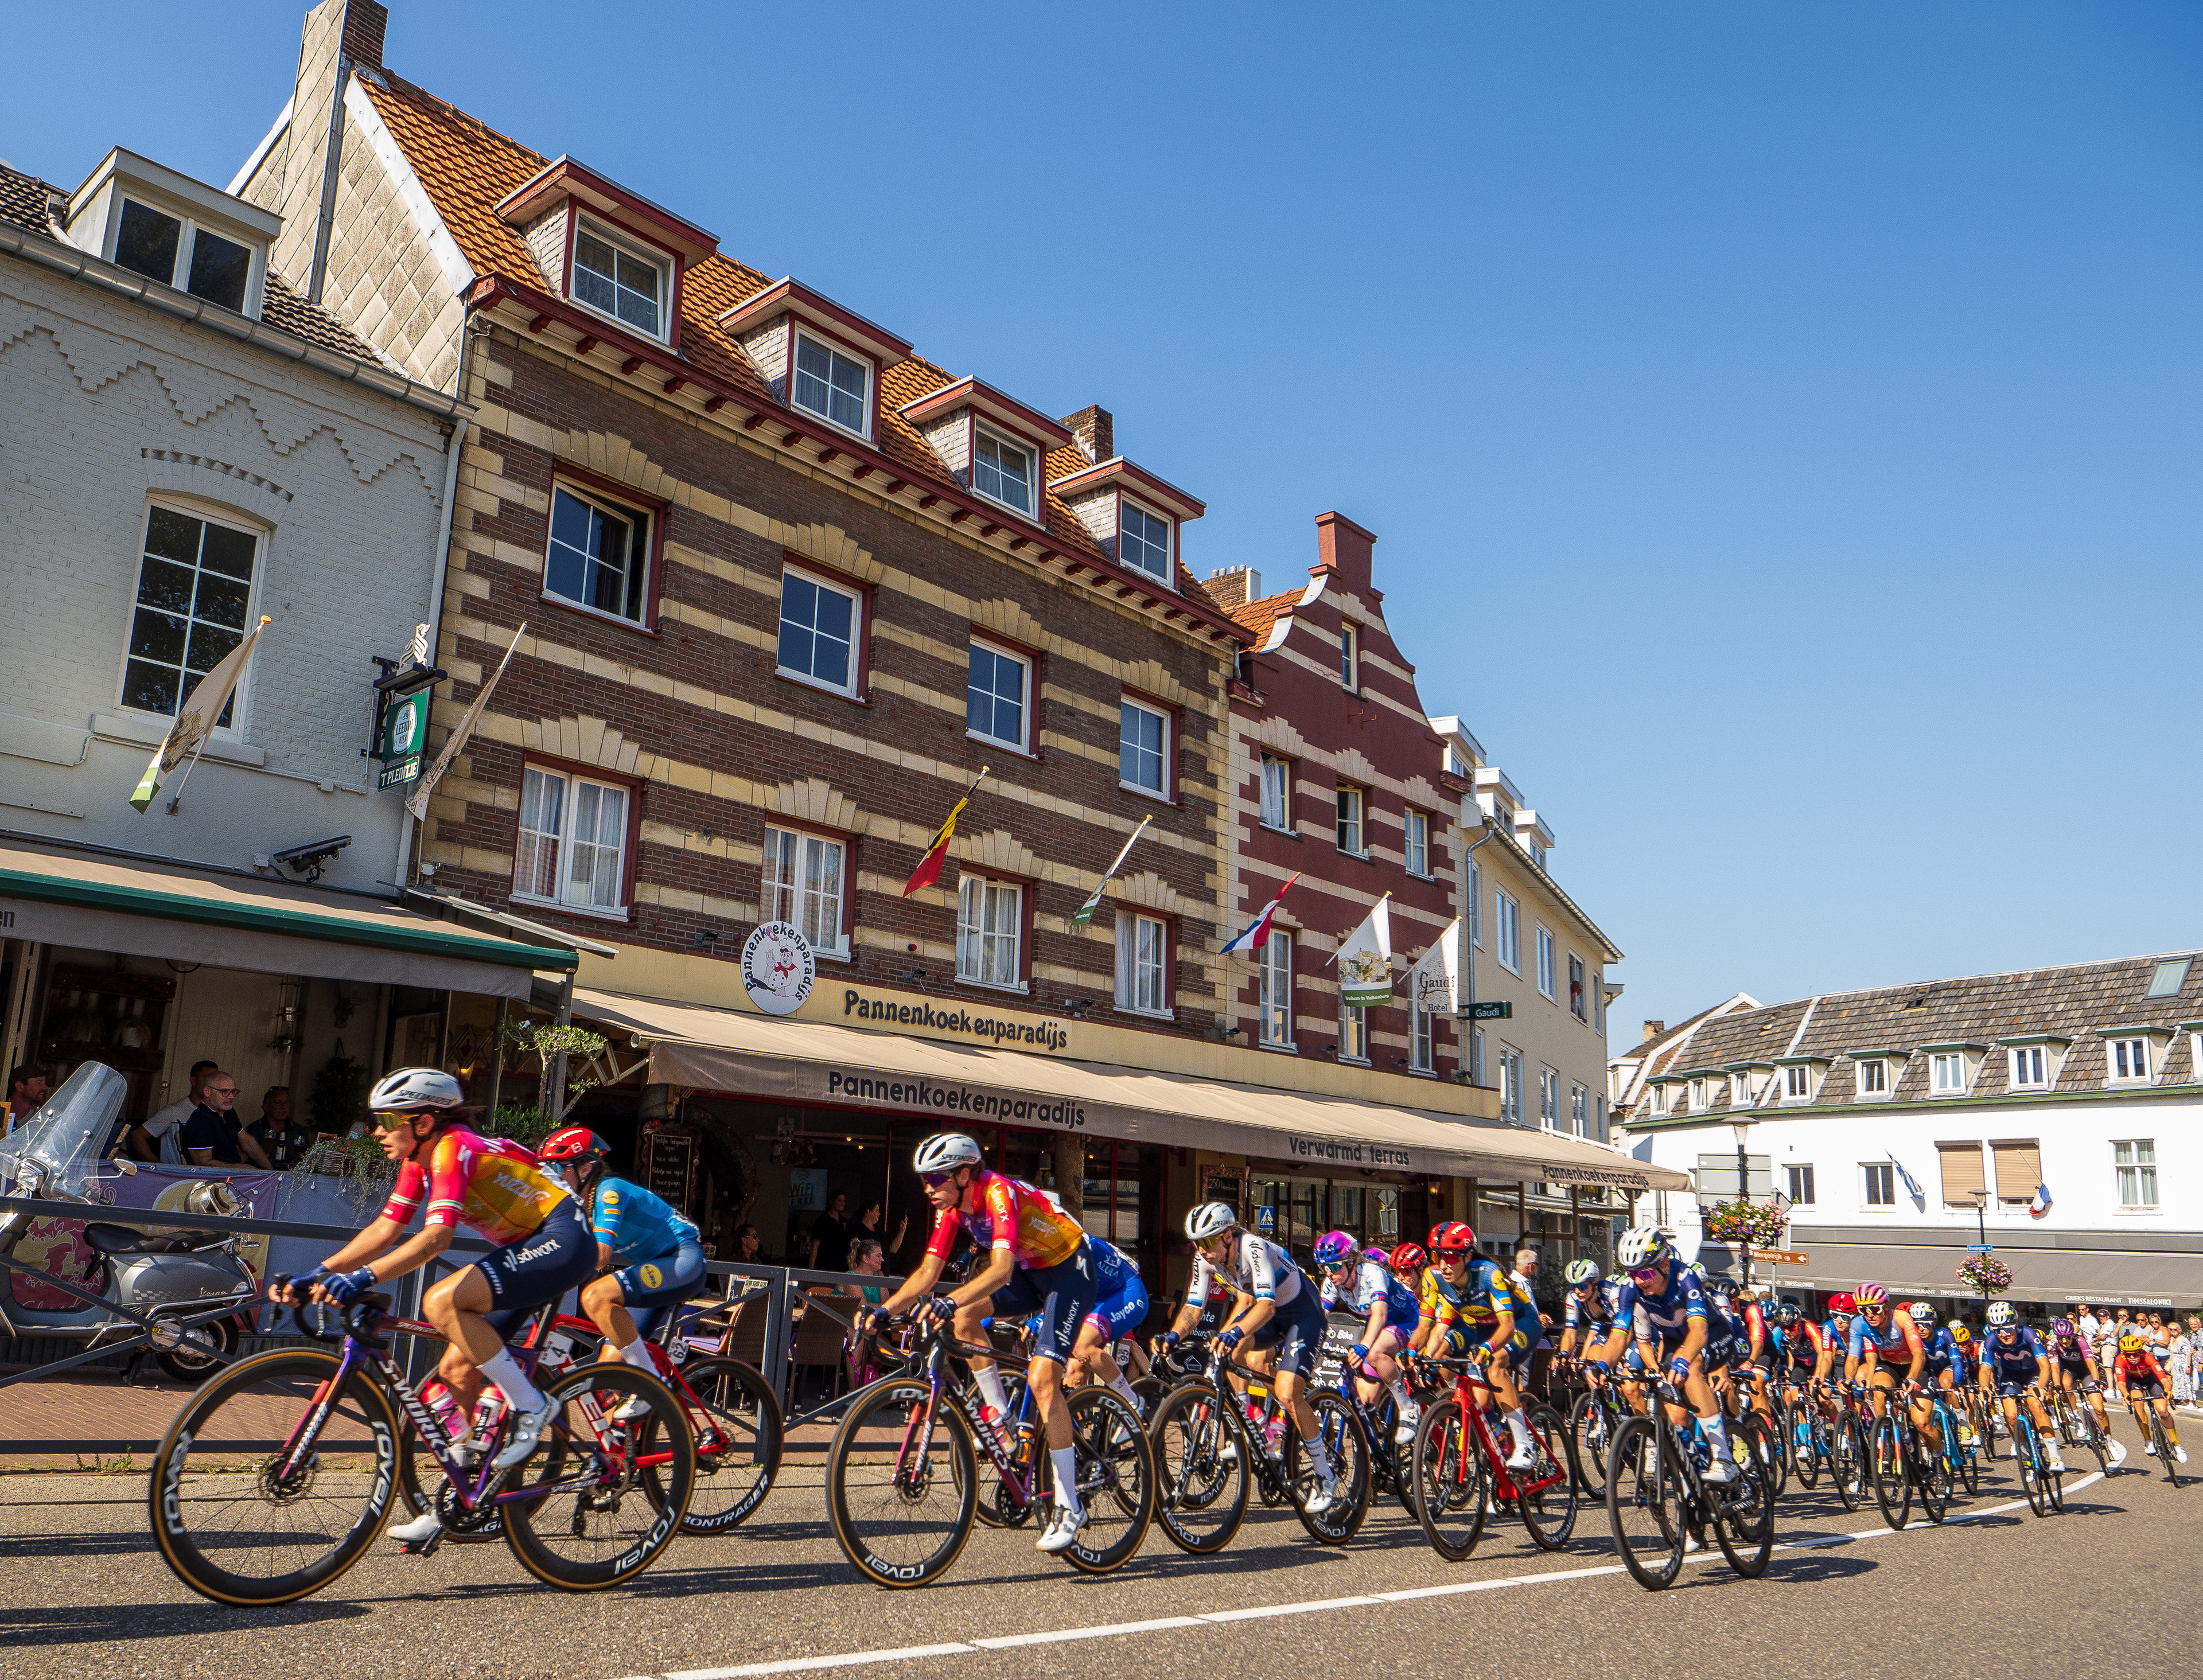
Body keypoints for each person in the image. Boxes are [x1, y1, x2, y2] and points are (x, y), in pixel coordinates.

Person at [274, 1067, 593, 1551]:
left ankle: (532, 1405)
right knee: (456, 1371)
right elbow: (385, 1229)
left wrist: (363, 1278)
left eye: (386, 1120)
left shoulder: (453, 1147)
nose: (376, 1131)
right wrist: (319, 1272)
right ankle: (458, 1497)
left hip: (563, 1238)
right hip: (527, 1246)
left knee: (441, 1300)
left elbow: (436, 1239)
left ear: (423, 1123)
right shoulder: (418, 1159)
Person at [861, 1133, 1102, 1554]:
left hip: (1069, 1271)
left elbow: (1001, 1270)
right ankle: (1002, 1416)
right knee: (964, 1319)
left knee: (1043, 1377)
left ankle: (1069, 1506)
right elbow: (927, 1273)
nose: (928, 1188)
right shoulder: (952, 1209)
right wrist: (885, 1310)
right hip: (1032, 1271)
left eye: (936, 1178)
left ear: (964, 1174)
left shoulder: (997, 1193)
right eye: (924, 1180)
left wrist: (950, 1300)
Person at [1156, 1200, 1342, 1514]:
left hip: (1302, 1314)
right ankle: (1250, 1421)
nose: (1201, 1251)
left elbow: (1266, 1306)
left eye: (1206, 1242)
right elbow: (1193, 1308)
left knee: (1287, 1393)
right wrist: (1173, 1336)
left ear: (1228, 1236)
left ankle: (1325, 1474)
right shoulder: (1207, 1260)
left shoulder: (1253, 1247)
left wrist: (1236, 1332)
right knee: (1226, 1349)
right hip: (1270, 1316)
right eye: (1196, 1244)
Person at [538, 1127, 706, 1419]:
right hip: (653, 1268)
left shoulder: (609, 1191)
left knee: (595, 1296)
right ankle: (616, 1444)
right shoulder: (581, 1205)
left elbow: (601, 1256)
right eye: (546, 1170)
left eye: (557, 1169)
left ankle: (652, 1383)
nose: (551, 1177)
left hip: (682, 1258)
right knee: (607, 1375)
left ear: (585, 1169)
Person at [1609, 1225, 1739, 1484]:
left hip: (1713, 1334)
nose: (1639, 1280)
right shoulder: (1630, 1289)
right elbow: (1619, 1336)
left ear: (1664, 1264)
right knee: (1672, 1412)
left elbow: (1699, 1331)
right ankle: (1688, 1471)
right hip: (1673, 1342)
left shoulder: (1685, 1278)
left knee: (1690, 1368)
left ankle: (1723, 1457)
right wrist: (1602, 1365)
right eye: (1632, 1273)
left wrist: (1682, 1360)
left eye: (1645, 1272)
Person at [1414, 1221, 1546, 1472]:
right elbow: (1427, 1326)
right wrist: (1413, 1352)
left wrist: (1490, 1347)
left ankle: (1524, 1445)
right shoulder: (1433, 1277)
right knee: (1477, 1399)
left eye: (1451, 1257)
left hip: (1521, 1323)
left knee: (1496, 1364)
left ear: (1468, 1257)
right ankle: (1497, 1434)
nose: (1444, 1264)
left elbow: (1507, 1325)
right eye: (1438, 1256)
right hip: (1483, 1328)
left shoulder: (1488, 1274)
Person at [1313, 1229, 1421, 1443]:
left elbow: (1380, 1315)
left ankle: (1408, 1407)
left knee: (1374, 1353)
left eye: (1334, 1266)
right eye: (1323, 1268)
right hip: (1381, 1328)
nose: (1329, 1273)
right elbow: (1319, 1317)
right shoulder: (1332, 1283)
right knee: (1366, 1401)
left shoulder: (1372, 1273)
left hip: (1407, 1321)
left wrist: (1364, 1346)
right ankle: (1374, 1450)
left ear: (1351, 1262)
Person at [1976, 1300, 2065, 1471]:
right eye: (1998, 1331)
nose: (2004, 1335)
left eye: (2008, 1329)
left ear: (2016, 1326)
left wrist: (2041, 1386)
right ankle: (2024, 1451)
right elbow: (1985, 1369)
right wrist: (1984, 1388)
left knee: (2035, 1405)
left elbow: (2045, 1365)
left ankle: (2055, 1457)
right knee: (2011, 1415)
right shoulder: (1991, 1340)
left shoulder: (2029, 1334)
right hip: (2010, 1376)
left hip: (2033, 1374)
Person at [2116, 1330, 2188, 1462]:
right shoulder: (2120, 1359)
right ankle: (2148, 1441)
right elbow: (2121, 1382)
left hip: (2152, 1380)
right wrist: (2125, 1394)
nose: (2132, 1357)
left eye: (2135, 1354)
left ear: (2140, 1352)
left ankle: (2176, 1444)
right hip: (2134, 1382)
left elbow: (2164, 1379)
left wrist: (2168, 1390)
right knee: (2138, 1404)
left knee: (2163, 1411)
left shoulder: (2148, 1357)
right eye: (2128, 1354)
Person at [181, 1071, 273, 1171]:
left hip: (235, 1171)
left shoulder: (228, 1111)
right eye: (224, 1092)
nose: (231, 1096)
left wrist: (271, 1171)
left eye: (233, 1092)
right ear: (207, 1092)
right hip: (216, 1178)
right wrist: (246, 1170)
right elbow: (203, 1164)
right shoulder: (200, 1120)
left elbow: (247, 1141)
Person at [131, 1060, 216, 1163]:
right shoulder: (173, 1112)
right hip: (178, 1173)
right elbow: (137, 1136)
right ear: (194, 1081)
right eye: (207, 1079)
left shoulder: (219, 1113)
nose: (213, 1084)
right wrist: (159, 1167)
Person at [245, 1086, 314, 1170]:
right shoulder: (254, 1130)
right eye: (278, 1103)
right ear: (266, 1107)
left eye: (287, 1103)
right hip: (261, 1175)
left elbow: (308, 1160)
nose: (284, 1107)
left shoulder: (299, 1131)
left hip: (291, 1176)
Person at [807, 1190, 851, 1273]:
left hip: (841, 1266)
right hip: (826, 1265)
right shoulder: (823, 1220)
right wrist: (811, 1270)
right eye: (839, 1201)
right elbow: (815, 1246)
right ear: (831, 1202)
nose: (842, 1203)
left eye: (844, 1201)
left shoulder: (844, 1221)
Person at [6, 1065, 49, 1134]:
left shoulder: (42, 1119)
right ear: (20, 1086)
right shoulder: (2, 1114)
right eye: (39, 1083)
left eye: (45, 1083)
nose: (45, 1087)